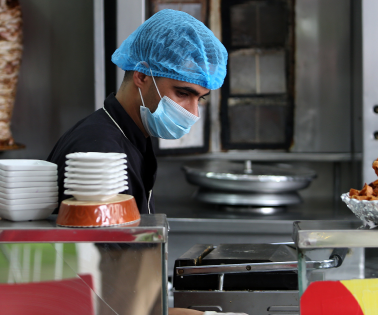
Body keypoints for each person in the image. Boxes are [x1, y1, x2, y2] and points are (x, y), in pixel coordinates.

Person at [47, 9, 246, 315]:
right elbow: (106, 296)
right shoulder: (100, 152)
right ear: (141, 75)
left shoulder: (128, 136)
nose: (192, 112)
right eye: (183, 93)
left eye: (200, 99)